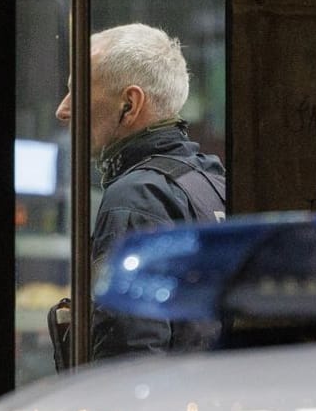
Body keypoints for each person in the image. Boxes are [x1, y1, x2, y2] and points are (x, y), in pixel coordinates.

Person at [54, 22, 227, 361]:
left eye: (79, 91)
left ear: (130, 105)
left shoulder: (136, 197)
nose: (62, 109)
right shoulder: (209, 180)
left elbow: (129, 356)